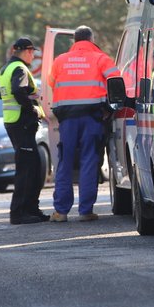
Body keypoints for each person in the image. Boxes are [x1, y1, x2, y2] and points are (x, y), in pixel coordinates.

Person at [48, 25, 119, 222]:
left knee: (65, 161)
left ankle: (61, 212)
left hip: (67, 118)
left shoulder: (60, 61)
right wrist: (110, 108)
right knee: (89, 160)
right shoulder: (101, 58)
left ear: (74, 41)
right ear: (91, 38)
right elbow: (117, 82)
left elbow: (51, 83)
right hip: (93, 117)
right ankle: (85, 211)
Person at [0, 37, 49, 225]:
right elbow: (18, 91)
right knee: (27, 169)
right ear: (26, 51)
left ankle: (31, 209)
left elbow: (3, 93)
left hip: (14, 122)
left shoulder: (5, 69)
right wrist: (33, 108)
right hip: (22, 122)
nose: (33, 55)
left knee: (33, 166)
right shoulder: (19, 69)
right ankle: (19, 213)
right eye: (32, 51)